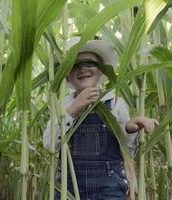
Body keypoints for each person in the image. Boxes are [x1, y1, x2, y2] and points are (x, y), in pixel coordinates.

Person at [43, 37, 158, 200]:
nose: (83, 69)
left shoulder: (115, 101)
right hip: (68, 185)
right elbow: (49, 145)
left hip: (109, 184)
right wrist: (73, 109)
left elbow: (128, 150)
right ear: (67, 76)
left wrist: (129, 129)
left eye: (91, 63)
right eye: (75, 66)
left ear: (102, 70)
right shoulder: (62, 105)